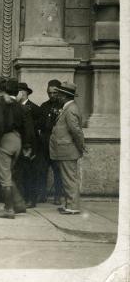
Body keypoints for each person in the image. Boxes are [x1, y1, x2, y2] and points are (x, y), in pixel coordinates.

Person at [0, 77, 33, 219]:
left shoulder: (0, 103)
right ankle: (18, 204)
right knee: (9, 175)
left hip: (5, 140)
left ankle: (8, 209)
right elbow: (27, 127)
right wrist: (27, 145)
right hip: (17, 140)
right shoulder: (19, 105)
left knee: (4, 178)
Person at [50, 81, 86, 215]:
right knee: (68, 178)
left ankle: (73, 206)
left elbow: (76, 130)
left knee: (69, 178)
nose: (57, 96)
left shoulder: (70, 109)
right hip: (66, 149)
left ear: (64, 96)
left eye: (59, 94)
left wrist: (81, 145)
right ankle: (69, 205)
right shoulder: (69, 108)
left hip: (68, 150)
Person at [16, 82, 42, 208]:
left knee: (29, 173)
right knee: (19, 173)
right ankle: (21, 198)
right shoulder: (15, 107)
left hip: (29, 145)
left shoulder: (35, 109)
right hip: (17, 144)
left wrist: (30, 147)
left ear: (23, 93)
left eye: (17, 92)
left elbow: (36, 129)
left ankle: (31, 199)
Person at [39, 79, 65, 205]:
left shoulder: (64, 107)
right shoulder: (44, 106)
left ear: (59, 92)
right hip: (44, 143)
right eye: (50, 93)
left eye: (55, 93)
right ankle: (42, 194)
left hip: (57, 143)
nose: (52, 95)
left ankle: (58, 196)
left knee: (58, 170)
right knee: (42, 169)